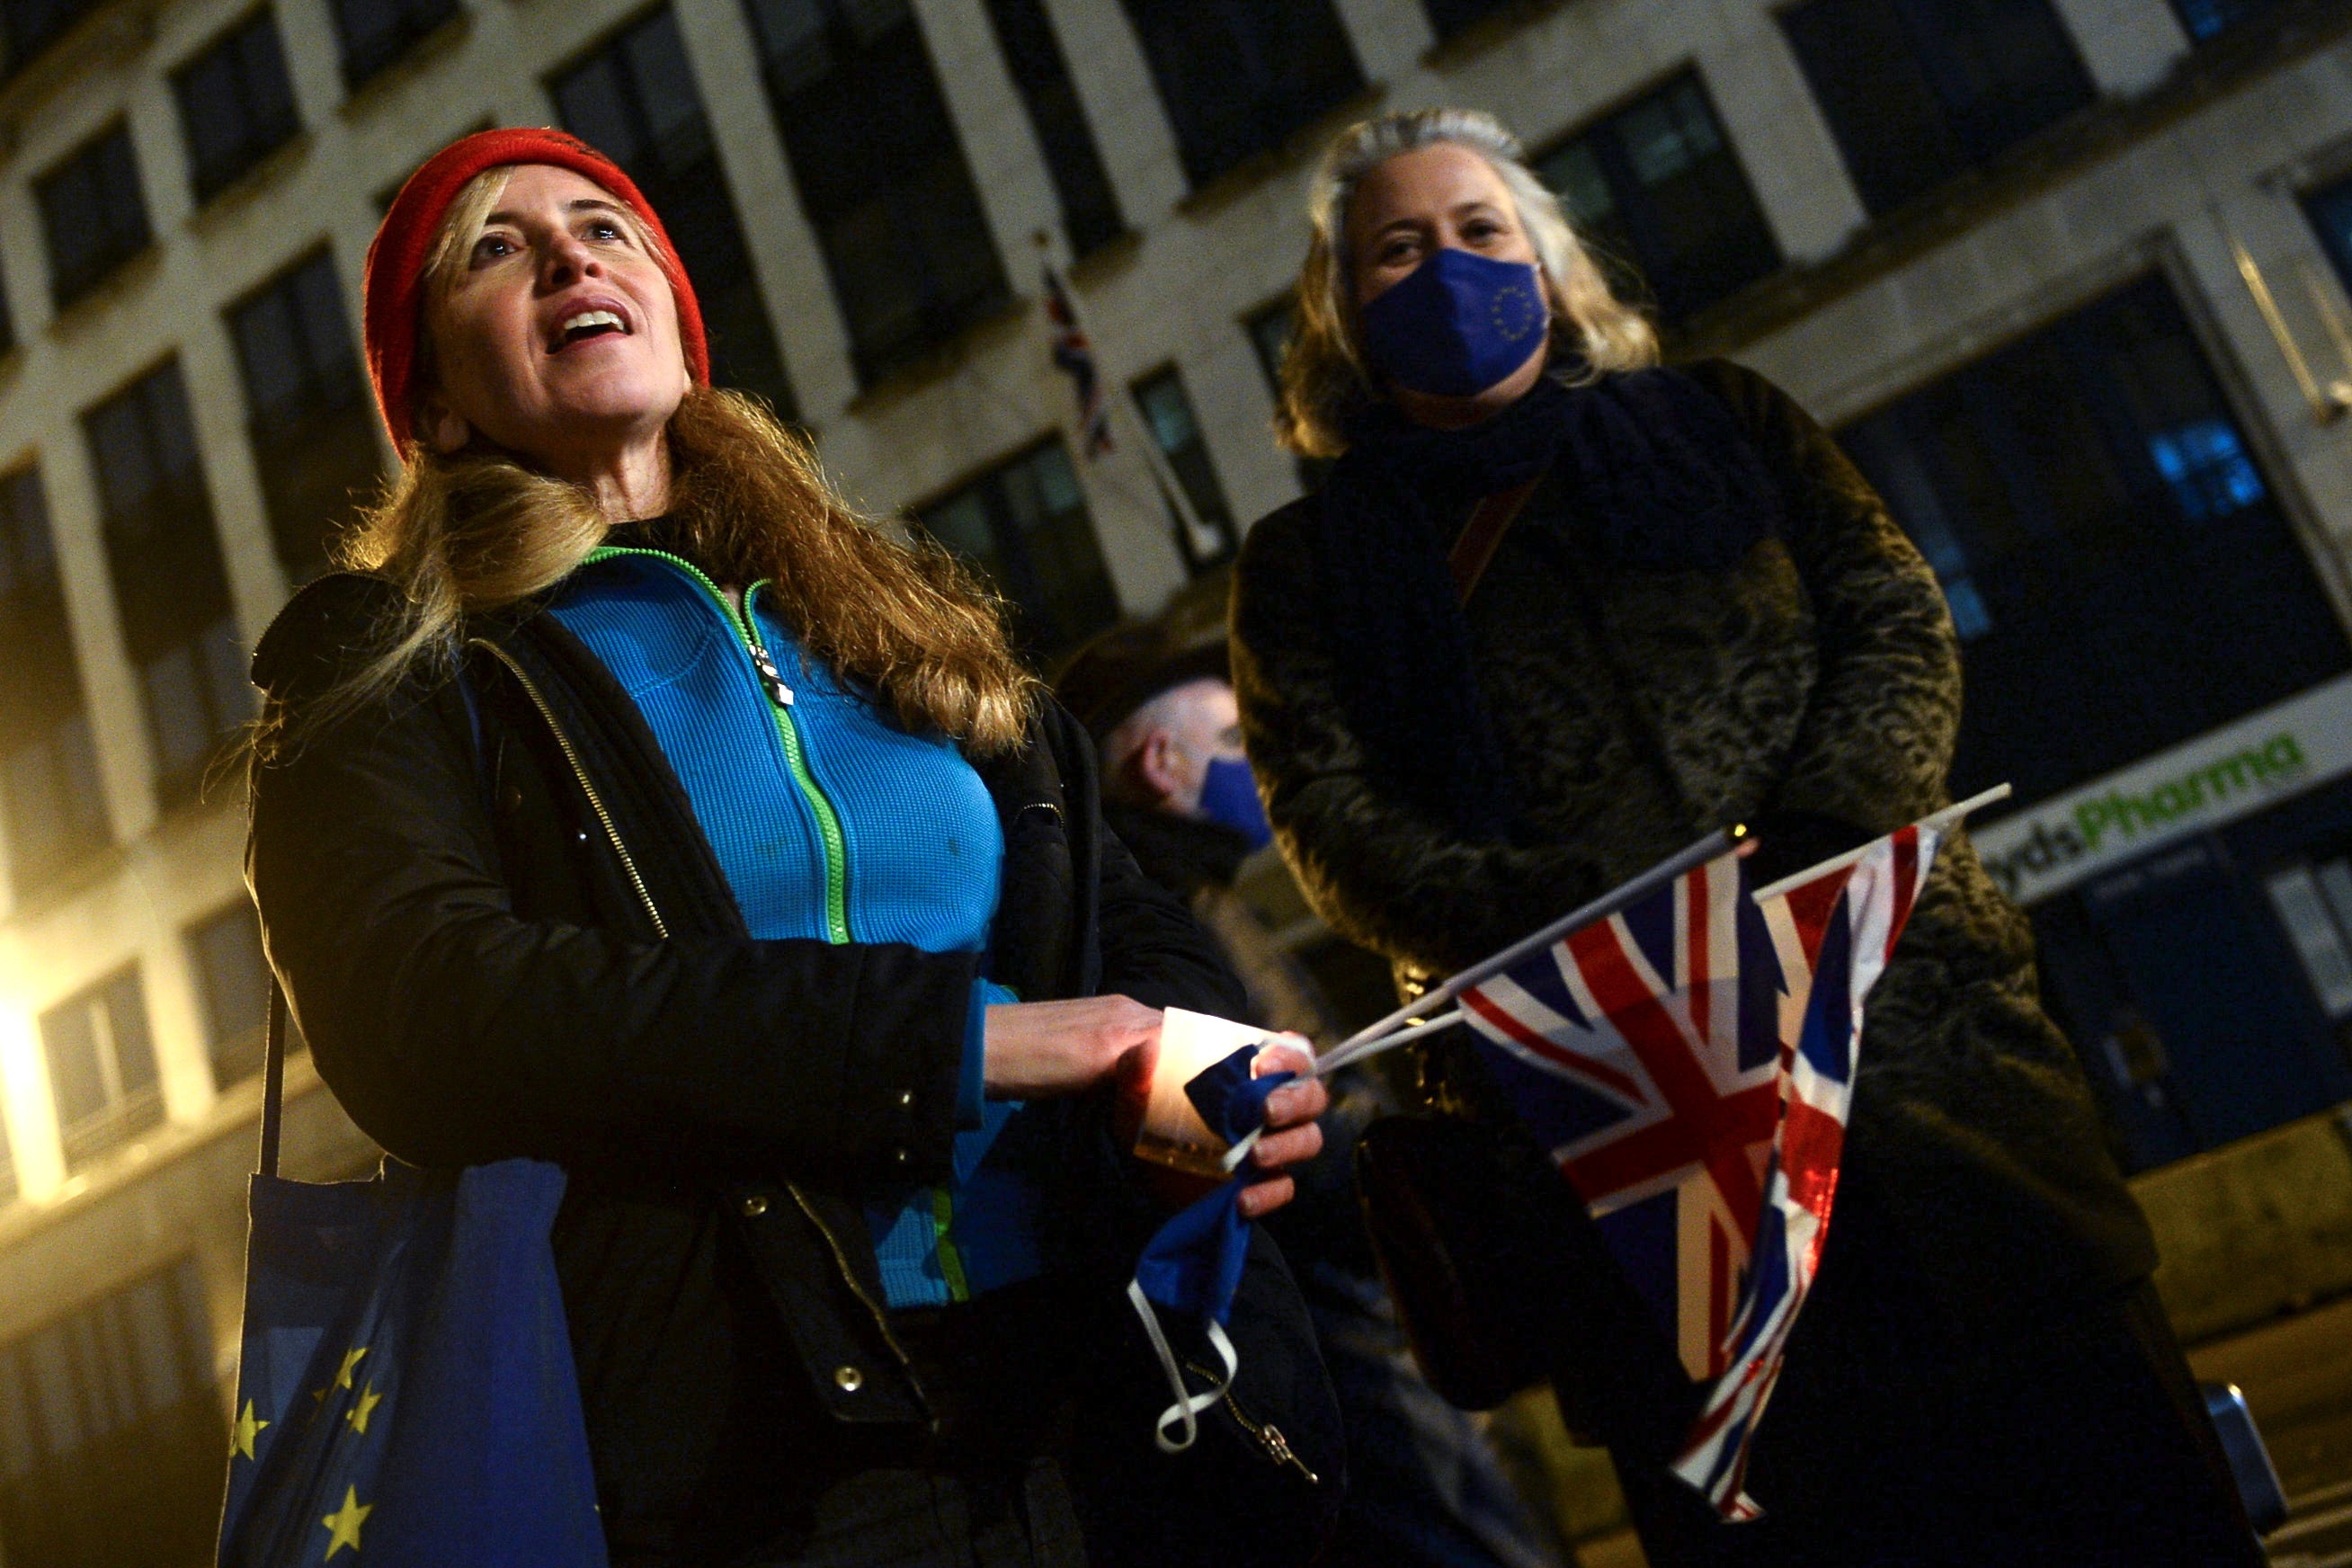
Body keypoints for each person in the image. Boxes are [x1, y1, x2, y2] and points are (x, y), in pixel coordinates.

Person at [246, 128, 1341, 1568]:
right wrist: (962, 1045)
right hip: (760, 1462)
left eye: (605, 227)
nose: (573, 254)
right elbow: (428, 1009)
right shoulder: (395, 668)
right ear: (434, 404)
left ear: (679, 332)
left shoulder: (893, 623)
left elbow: (1113, 911)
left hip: (1103, 1395)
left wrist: (1200, 1102)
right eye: (496, 250)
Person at [1227, 108, 2263, 1567]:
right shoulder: (1305, 571)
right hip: (1639, 1176)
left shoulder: (1724, 416)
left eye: (1478, 229)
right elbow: (1336, 826)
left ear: (1547, 255)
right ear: (1339, 313)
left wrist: (1821, 836)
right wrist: (1614, 925)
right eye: (1396, 248)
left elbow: (1895, 620)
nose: (1447, 266)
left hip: (1938, 1105)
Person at [1059, 623, 1566, 1568]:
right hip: (1333, 1324)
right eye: (1233, 745)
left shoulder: (1193, 895)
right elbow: (1214, 1146)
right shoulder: (1153, 918)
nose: (1254, 766)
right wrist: (1388, 1165)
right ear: (1159, 761)